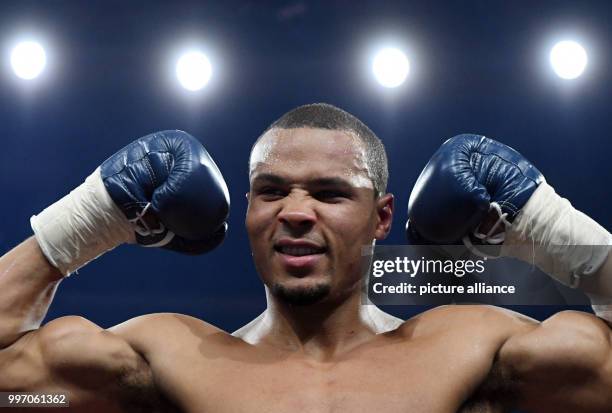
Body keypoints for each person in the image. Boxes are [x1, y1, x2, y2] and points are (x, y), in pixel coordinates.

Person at [0, 103, 611, 413]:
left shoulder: (470, 349)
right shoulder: (168, 358)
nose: (295, 211)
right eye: (271, 191)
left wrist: (543, 223)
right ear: (247, 213)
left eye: (328, 193)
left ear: (380, 218)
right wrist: (94, 213)